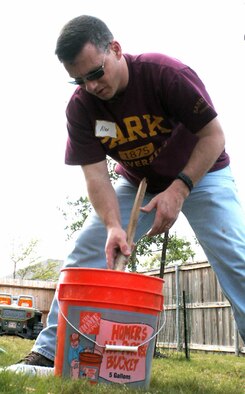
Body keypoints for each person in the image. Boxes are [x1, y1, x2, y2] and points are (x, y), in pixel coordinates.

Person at [19, 15, 245, 367]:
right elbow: (96, 177)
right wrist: (112, 226)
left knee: (236, 259)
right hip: (137, 180)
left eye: (96, 73)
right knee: (85, 252)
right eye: (79, 79)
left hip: (202, 174)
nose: (91, 86)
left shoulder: (165, 74)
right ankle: (48, 353)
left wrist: (181, 188)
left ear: (116, 49)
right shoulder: (81, 108)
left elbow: (214, 136)